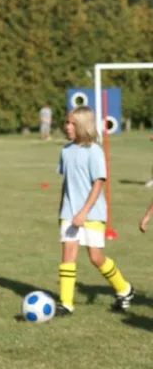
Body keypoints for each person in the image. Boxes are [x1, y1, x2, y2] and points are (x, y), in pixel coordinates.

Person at [56, 105, 134, 316]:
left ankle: (124, 289)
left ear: (83, 125)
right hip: (69, 214)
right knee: (68, 255)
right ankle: (66, 304)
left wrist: (83, 212)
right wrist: (62, 211)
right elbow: (67, 183)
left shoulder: (94, 151)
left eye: (72, 123)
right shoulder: (65, 150)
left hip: (92, 214)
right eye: (66, 122)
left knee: (95, 257)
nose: (67, 126)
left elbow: (98, 185)